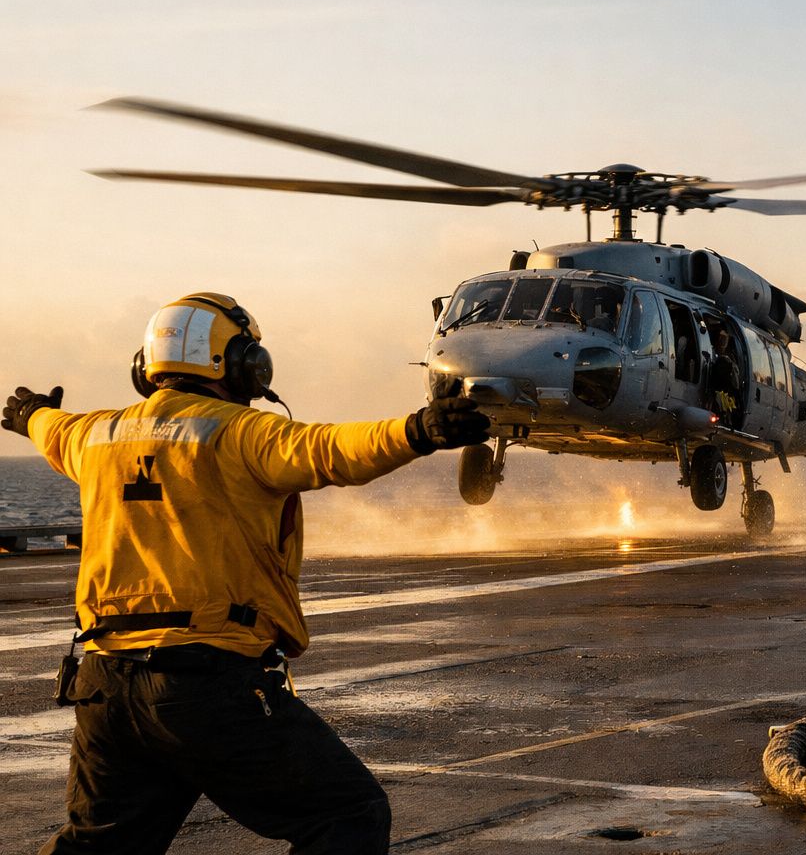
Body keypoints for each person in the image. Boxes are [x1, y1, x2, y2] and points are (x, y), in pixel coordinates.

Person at [2, 292, 491, 855]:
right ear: (242, 364)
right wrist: (418, 431)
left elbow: (50, 427)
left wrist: (31, 413)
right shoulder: (240, 433)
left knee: (101, 844)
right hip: (205, 684)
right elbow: (329, 449)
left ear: (146, 368)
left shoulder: (94, 436)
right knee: (346, 814)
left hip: (106, 686)